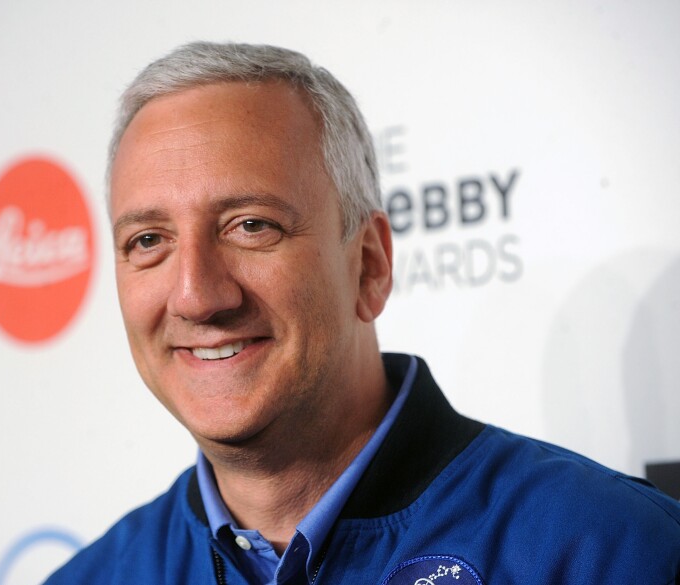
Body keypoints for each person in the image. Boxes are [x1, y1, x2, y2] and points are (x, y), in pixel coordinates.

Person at [46, 41, 680, 585]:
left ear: (370, 265)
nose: (195, 295)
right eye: (148, 241)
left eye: (251, 226)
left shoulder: (611, 551)